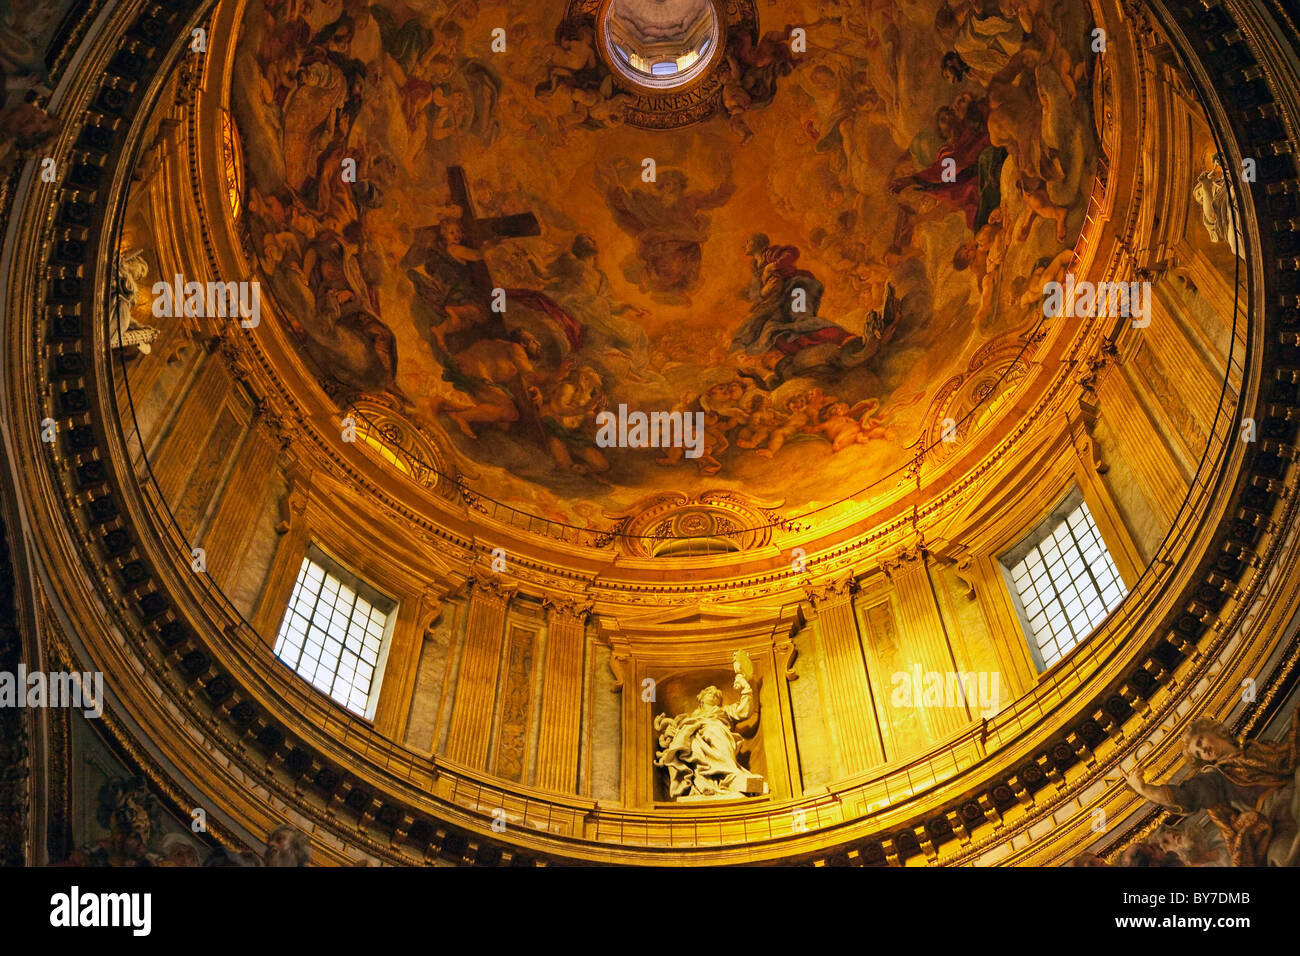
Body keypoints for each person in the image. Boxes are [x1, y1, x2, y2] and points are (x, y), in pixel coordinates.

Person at [1125, 710, 1300, 866]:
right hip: (1275, 819)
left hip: (1291, 791)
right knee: (1282, 856)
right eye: (1198, 753)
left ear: (1216, 732)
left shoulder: (1254, 749)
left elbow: (1289, 757)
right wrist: (1144, 789)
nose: (1203, 751)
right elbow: (1186, 796)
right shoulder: (1215, 777)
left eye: (1200, 741)